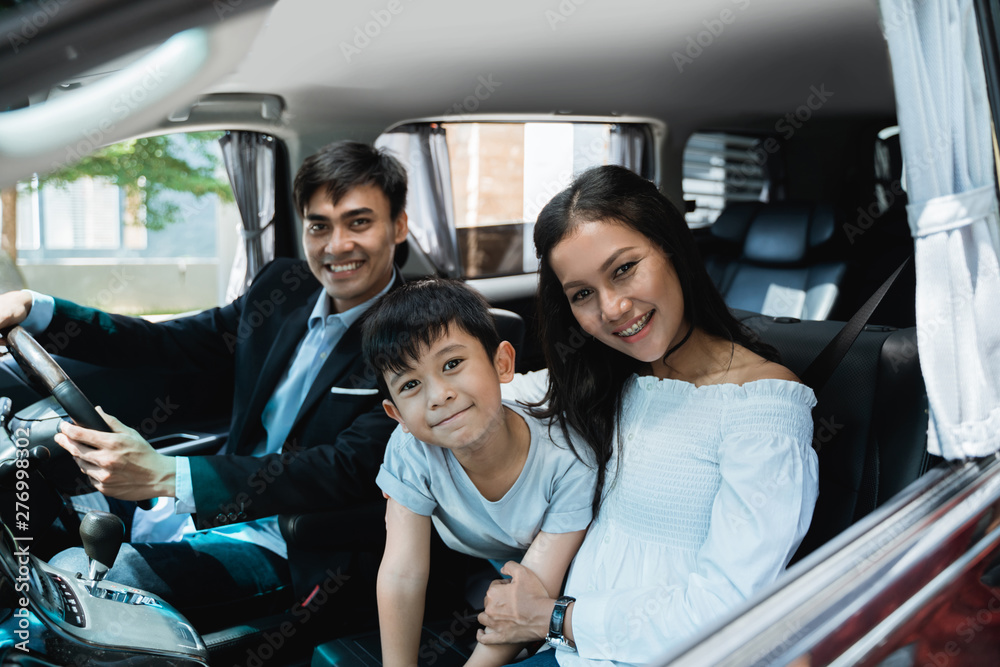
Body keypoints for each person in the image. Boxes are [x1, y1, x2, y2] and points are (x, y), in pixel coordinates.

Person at [0, 140, 409, 626]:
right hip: (199, 507)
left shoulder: (414, 333)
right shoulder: (285, 287)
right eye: (319, 225)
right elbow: (167, 343)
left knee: (74, 582)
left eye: (358, 222)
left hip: (289, 543)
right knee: (30, 486)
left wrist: (168, 475)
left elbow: (342, 469)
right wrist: (39, 308)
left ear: (399, 226)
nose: (336, 245)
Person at [476, 165, 820, 665]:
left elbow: (727, 608)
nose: (612, 308)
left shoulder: (762, 406)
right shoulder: (612, 377)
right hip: (570, 652)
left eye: (623, 268)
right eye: (582, 295)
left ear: (671, 249)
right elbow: (496, 398)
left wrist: (548, 617)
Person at [361, 278, 595, 667]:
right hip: (501, 572)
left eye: (452, 364)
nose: (438, 396)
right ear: (396, 415)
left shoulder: (568, 458)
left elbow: (526, 604)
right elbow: (402, 573)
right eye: (412, 384)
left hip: (569, 583)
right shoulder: (412, 450)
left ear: (502, 363)